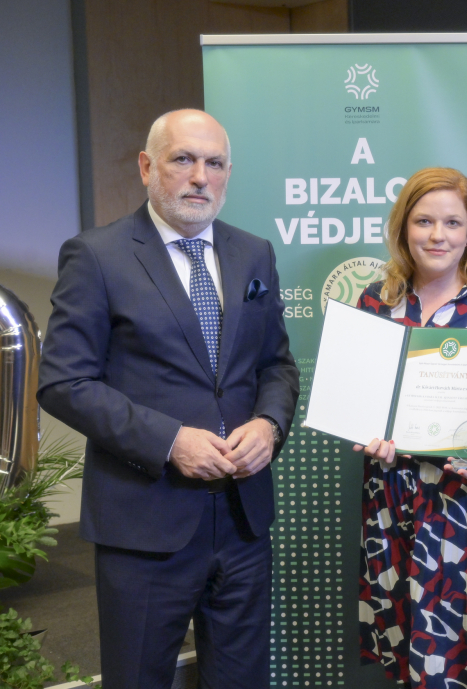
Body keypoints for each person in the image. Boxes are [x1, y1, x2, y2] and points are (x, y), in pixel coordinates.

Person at [37, 109, 299, 689]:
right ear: (146, 167)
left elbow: (276, 365)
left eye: (215, 163)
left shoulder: (254, 253)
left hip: (243, 521)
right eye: (183, 159)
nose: (200, 177)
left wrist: (269, 425)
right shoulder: (97, 255)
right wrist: (170, 441)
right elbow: (63, 382)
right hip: (145, 523)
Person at [353, 167, 467, 688]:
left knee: (463, 652)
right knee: (410, 647)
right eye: (424, 221)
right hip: (393, 499)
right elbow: (361, 397)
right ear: (403, 227)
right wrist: (368, 434)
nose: (438, 235)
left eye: (453, 222)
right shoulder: (375, 302)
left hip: (466, 502)